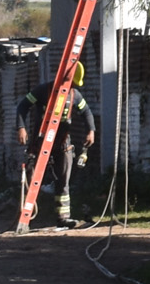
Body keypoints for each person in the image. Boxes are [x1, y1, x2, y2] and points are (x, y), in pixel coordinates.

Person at [13, 60, 96, 227]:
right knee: (32, 178)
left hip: (63, 143)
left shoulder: (74, 95)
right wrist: (21, 128)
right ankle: (26, 217)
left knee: (63, 180)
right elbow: (23, 106)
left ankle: (63, 217)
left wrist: (91, 130)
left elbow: (86, 111)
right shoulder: (43, 91)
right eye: (71, 83)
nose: (72, 86)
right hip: (41, 142)